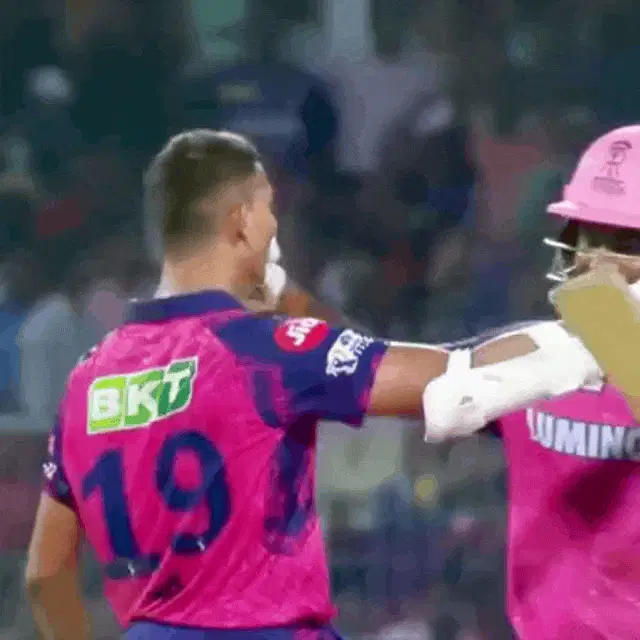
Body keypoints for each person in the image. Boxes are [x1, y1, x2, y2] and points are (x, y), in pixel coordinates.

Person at [25, 130, 600, 640]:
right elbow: (449, 378)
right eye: (269, 210)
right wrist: (591, 339)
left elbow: (45, 577)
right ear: (241, 221)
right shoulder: (263, 351)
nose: (275, 228)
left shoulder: (88, 378)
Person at [446, 124, 640, 640]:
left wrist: (614, 333)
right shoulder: (534, 356)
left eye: (627, 242)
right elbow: (384, 377)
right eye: (587, 238)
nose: (596, 262)